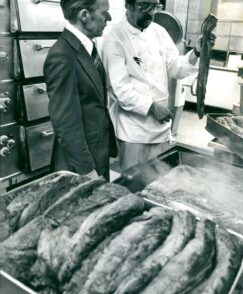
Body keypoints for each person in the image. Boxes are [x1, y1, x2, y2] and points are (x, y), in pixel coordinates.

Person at [102, 0, 216, 172]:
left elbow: (176, 68)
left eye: (154, 6)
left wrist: (197, 52)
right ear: (129, 5)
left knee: (160, 183)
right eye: (144, 6)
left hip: (161, 129)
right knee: (136, 184)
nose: (150, 12)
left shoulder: (159, 32)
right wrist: (152, 107)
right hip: (134, 132)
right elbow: (120, 90)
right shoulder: (115, 38)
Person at [44, 0, 117, 181]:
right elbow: (66, 125)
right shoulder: (62, 55)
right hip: (80, 166)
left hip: (96, 153)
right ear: (84, 15)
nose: (109, 17)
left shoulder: (86, 47)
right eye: (104, 12)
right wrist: (88, 172)